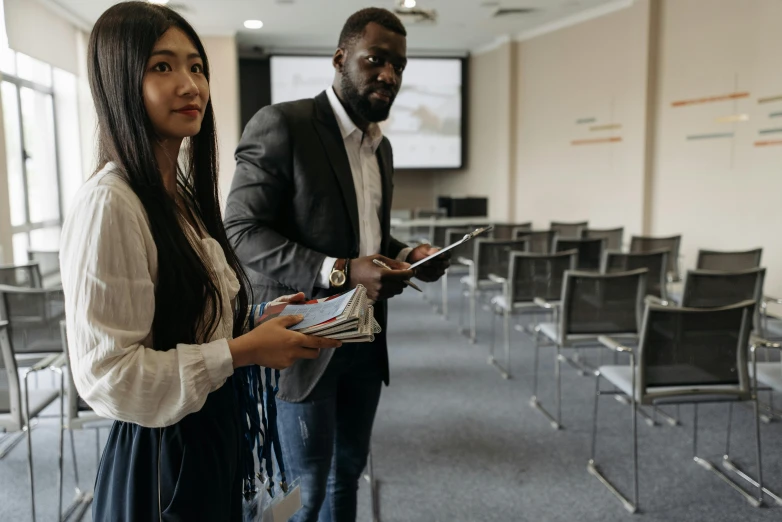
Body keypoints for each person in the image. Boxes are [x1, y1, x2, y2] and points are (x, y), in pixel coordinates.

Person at [59, 3, 340, 520]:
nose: (191, 85)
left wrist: (254, 323)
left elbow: (181, 324)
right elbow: (109, 376)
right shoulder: (112, 202)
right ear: (118, 81)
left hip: (207, 427)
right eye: (162, 67)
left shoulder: (176, 195)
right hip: (165, 453)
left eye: (196, 66)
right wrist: (239, 352)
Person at [224, 7, 450, 521]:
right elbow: (240, 232)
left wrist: (410, 253)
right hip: (302, 339)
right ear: (340, 58)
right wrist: (342, 270)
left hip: (366, 339)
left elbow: (365, 233)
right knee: (302, 493)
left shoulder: (381, 147)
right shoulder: (282, 124)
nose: (388, 75)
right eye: (376, 60)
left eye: (399, 66)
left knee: (347, 474)